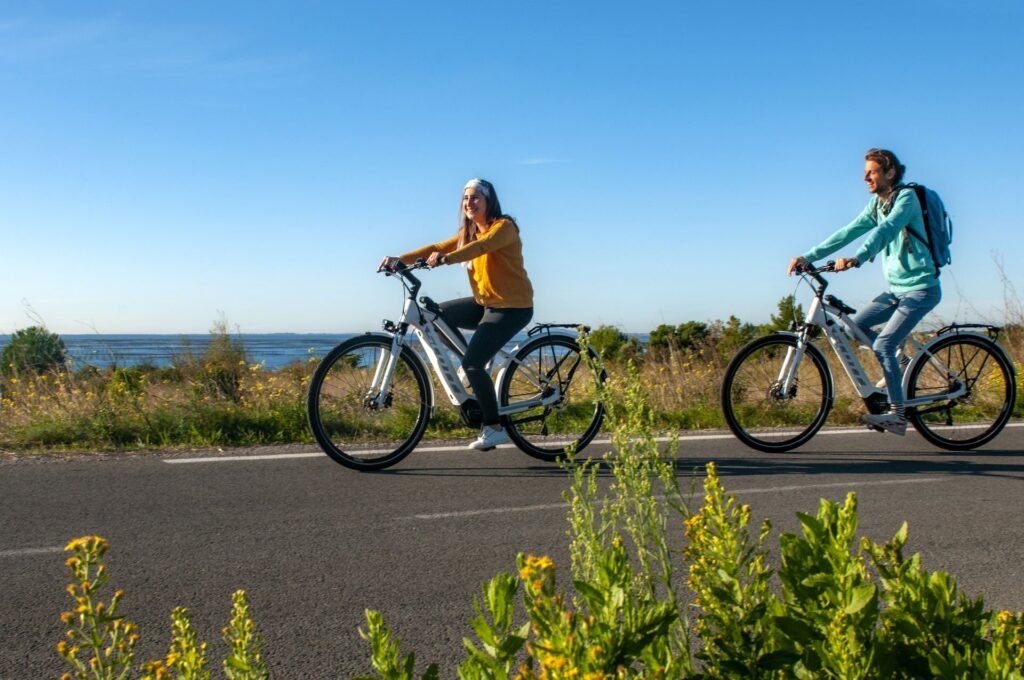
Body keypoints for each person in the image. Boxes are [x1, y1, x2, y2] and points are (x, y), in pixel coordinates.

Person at [787, 148, 942, 436]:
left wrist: (858, 257)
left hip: (921, 289)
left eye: (871, 172)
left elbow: (887, 231)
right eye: (866, 172)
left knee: (882, 344)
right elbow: (849, 230)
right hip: (898, 290)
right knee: (855, 327)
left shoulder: (906, 198)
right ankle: (900, 362)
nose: (865, 177)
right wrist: (808, 256)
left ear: (890, 172)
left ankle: (897, 415)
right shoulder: (878, 204)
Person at [379, 178, 534, 451]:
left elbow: (482, 247)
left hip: (512, 307)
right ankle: (473, 363)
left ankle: (494, 427)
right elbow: (437, 246)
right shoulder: (471, 233)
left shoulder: (504, 228)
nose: (469, 203)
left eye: (475, 198)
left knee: (474, 364)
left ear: (489, 201)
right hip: (485, 302)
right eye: (465, 198)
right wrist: (398, 259)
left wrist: (446, 259)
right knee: (435, 315)